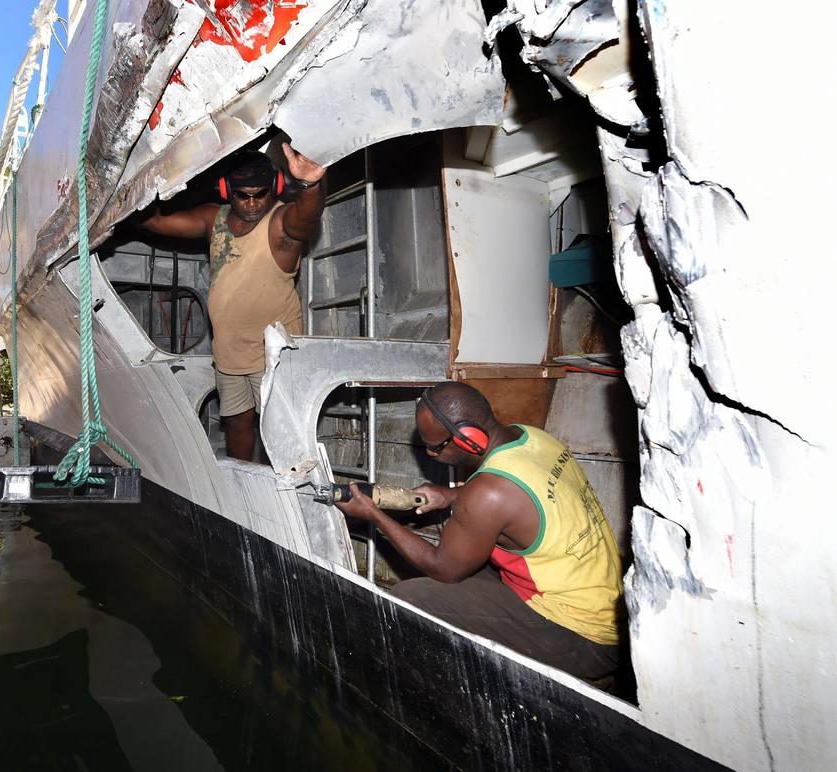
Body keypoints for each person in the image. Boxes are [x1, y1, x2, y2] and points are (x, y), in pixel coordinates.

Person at [337, 381, 623, 681]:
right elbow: (512, 498)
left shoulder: (489, 493)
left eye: (435, 448)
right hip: (604, 604)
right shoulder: (531, 438)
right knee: (472, 560)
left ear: (468, 439)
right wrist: (448, 495)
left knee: (412, 596)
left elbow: (443, 568)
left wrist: (374, 515)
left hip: (583, 635)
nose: (431, 455)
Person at [137, 143, 327, 460]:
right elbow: (154, 223)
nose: (252, 203)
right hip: (229, 356)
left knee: (280, 429)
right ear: (227, 191)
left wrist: (309, 185)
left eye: (260, 194)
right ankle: (243, 482)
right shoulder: (215, 219)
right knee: (238, 424)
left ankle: (286, 494)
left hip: (274, 358)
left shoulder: (281, 223)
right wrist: (137, 189)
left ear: (275, 190)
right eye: (243, 195)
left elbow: (306, 217)